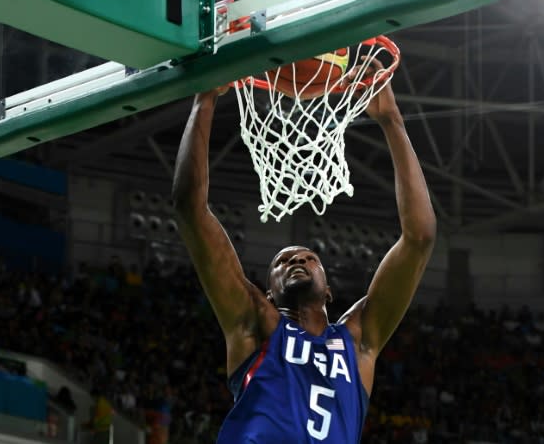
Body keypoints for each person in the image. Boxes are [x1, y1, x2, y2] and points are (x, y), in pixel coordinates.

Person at [172, 69, 436, 443]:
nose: (295, 260)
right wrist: (205, 100)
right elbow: (189, 209)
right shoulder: (254, 323)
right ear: (269, 294)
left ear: (329, 291)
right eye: (281, 262)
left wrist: (392, 121)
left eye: (308, 258)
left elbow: (420, 237)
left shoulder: (358, 341)